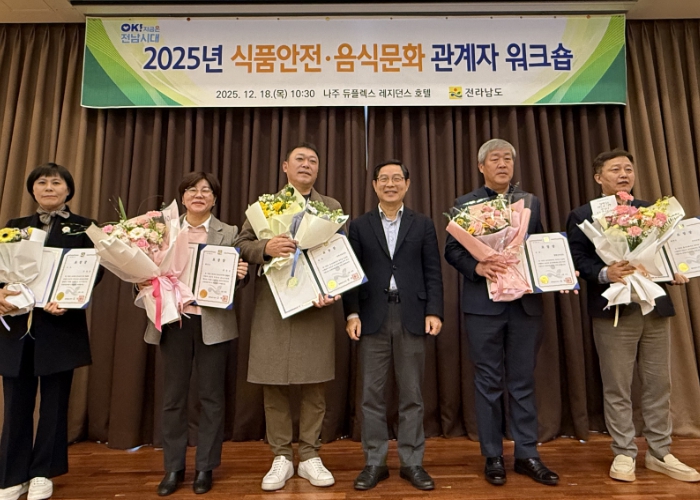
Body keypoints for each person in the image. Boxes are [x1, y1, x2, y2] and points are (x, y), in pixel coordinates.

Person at [566, 149, 700, 483]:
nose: (624, 174)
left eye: (628, 168)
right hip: (614, 309)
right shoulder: (583, 215)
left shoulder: (652, 213)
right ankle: (624, 452)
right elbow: (577, 259)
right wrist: (605, 273)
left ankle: (660, 452)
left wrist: (674, 271)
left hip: (654, 307)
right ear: (598, 178)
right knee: (617, 386)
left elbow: (665, 255)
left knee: (659, 383)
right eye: (615, 169)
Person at [444, 139, 559, 487]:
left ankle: (527, 454)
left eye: (508, 158)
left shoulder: (530, 202)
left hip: (525, 305)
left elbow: (540, 246)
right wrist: (476, 267)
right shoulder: (465, 204)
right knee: (488, 381)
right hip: (484, 307)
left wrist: (558, 273)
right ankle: (492, 455)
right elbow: (453, 251)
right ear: (482, 167)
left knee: (523, 380)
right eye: (495, 159)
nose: (503, 164)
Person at [236, 142, 342, 491]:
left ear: (318, 169)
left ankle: (310, 455)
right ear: (285, 166)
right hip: (274, 306)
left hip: (316, 305)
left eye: (313, 160)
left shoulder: (331, 207)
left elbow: (339, 253)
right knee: (274, 383)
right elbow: (241, 244)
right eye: (300, 159)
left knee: (315, 383)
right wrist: (265, 248)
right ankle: (281, 456)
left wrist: (335, 286)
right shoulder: (267, 205)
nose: (306, 164)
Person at [0, 163, 101, 500]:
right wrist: (2, 294)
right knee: (16, 404)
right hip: (18, 325)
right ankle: (11, 475)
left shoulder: (84, 227)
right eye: (41, 182)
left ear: (68, 190)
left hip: (59, 325)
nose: (48, 188)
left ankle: (43, 471)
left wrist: (68, 300)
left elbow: (94, 272)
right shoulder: (14, 227)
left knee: (55, 404)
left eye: (56, 183)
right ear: (32, 189)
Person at [144, 172, 249, 496]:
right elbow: (144, 272)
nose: (199, 195)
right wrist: (143, 280)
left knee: (212, 398)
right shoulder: (163, 231)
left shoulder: (229, 232)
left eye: (206, 190)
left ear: (214, 198)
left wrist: (240, 274)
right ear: (182, 197)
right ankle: (173, 468)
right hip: (174, 321)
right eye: (192, 190)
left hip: (212, 323)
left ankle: (205, 466)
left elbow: (237, 279)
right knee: (173, 398)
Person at [343, 160, 443, 491]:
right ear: (374, 185)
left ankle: (412, 462)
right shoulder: (359, 226)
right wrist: (352, 313)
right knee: (371, 395)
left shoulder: (423, 224)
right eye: (383, 179)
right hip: (372, 317)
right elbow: (351, 274)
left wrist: (434, 311)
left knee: (412, 394)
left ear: (407, 184)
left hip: (412, 315)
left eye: (396, 178)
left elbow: (433, 271)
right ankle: (375, 462)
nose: (390, 184)